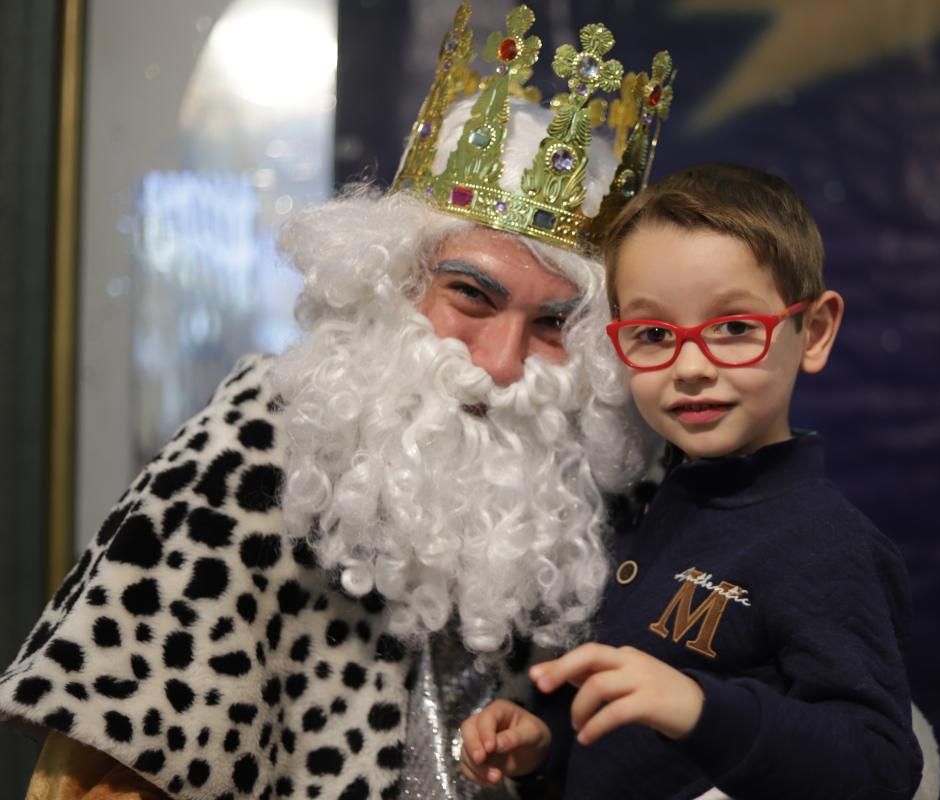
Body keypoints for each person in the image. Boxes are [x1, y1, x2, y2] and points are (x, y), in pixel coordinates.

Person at [0, 4, 671, 798]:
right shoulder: (260, 441)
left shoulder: (609, 492)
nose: (500, 365)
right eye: (472, 298)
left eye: (554, 323)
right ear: (391, 280)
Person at [459, 163, 925, 799]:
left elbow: (879, 768)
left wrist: (699, 708)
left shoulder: (827, 545)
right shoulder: (652, 507)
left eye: (734, 328)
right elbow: (638, 742)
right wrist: (547, 744)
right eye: (653, 334)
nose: (691, 366)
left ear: (811, 333)